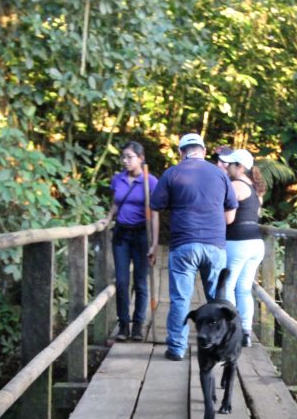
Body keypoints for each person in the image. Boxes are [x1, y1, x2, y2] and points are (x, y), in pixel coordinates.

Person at [150, 133, 239, 360]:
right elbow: (230, 215)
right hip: (214, 245)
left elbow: (156, 205)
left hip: (183, 245)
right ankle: (223, 345)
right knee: (218, 299)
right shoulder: (220, 174)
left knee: (180, 298)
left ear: (181, 152)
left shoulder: (172, 173)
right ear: (204, 151)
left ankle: (177, 348)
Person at [98, 141, 159, 341]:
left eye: (129, 157)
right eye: (123, 157)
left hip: (142, 235)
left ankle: (138, 325)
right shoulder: (118, 179)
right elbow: (116, 203)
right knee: (122, 281)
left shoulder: (151, 181)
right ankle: (123, 324)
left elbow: (155, 214)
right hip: (122, 234)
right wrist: (108, 218)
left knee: (140, 283)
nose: (125, 161)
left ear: (141, 159)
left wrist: (154, 243)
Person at [219, 148, 266, 347]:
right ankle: (245, 332)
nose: (227, 167)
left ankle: (231, 331)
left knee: (228, 286)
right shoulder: (256, 189)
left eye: (230, 164)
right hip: (256, 244)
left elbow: (225, 215)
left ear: (239, 167)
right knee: (244, 289)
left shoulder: (235, 186)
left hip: (237, 243)